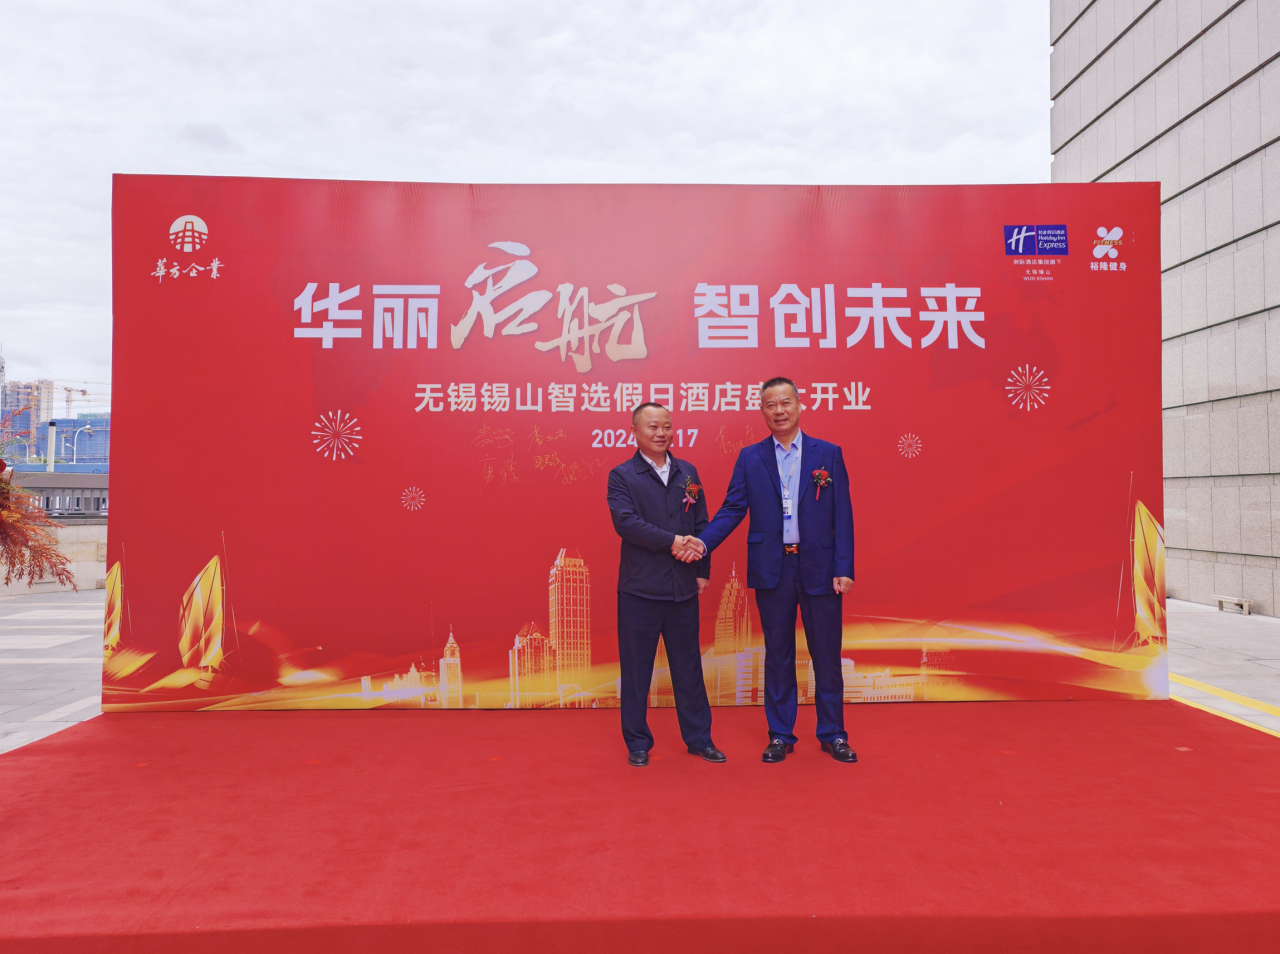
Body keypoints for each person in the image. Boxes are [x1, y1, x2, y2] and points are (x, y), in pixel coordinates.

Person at [678, 377, 857, 764]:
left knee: (827, 654)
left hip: (820, 567)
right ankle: (780, 734)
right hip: (772, 568)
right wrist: (703, 543)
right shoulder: (751, 457)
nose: (779, 410)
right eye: (771, 405)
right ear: (762, 411)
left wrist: (844, 567)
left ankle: (833, 734)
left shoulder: (827, 454)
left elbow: (841, 513)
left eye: (785, 402)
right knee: (778, 655)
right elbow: (732, 509)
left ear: (799, 405)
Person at [606, 402, 726, 768]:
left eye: (667, 427)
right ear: (634, 431)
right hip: (639, 590)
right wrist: (673, 541)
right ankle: (637, 742)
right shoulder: (622, 475)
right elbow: (626, 523)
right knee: (637, 670)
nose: (661, 433)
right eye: (653, 427)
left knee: (689, 668)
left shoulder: (687, 472)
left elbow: (702, 522)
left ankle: (699, 739)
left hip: (682, 588)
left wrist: (702, 568)